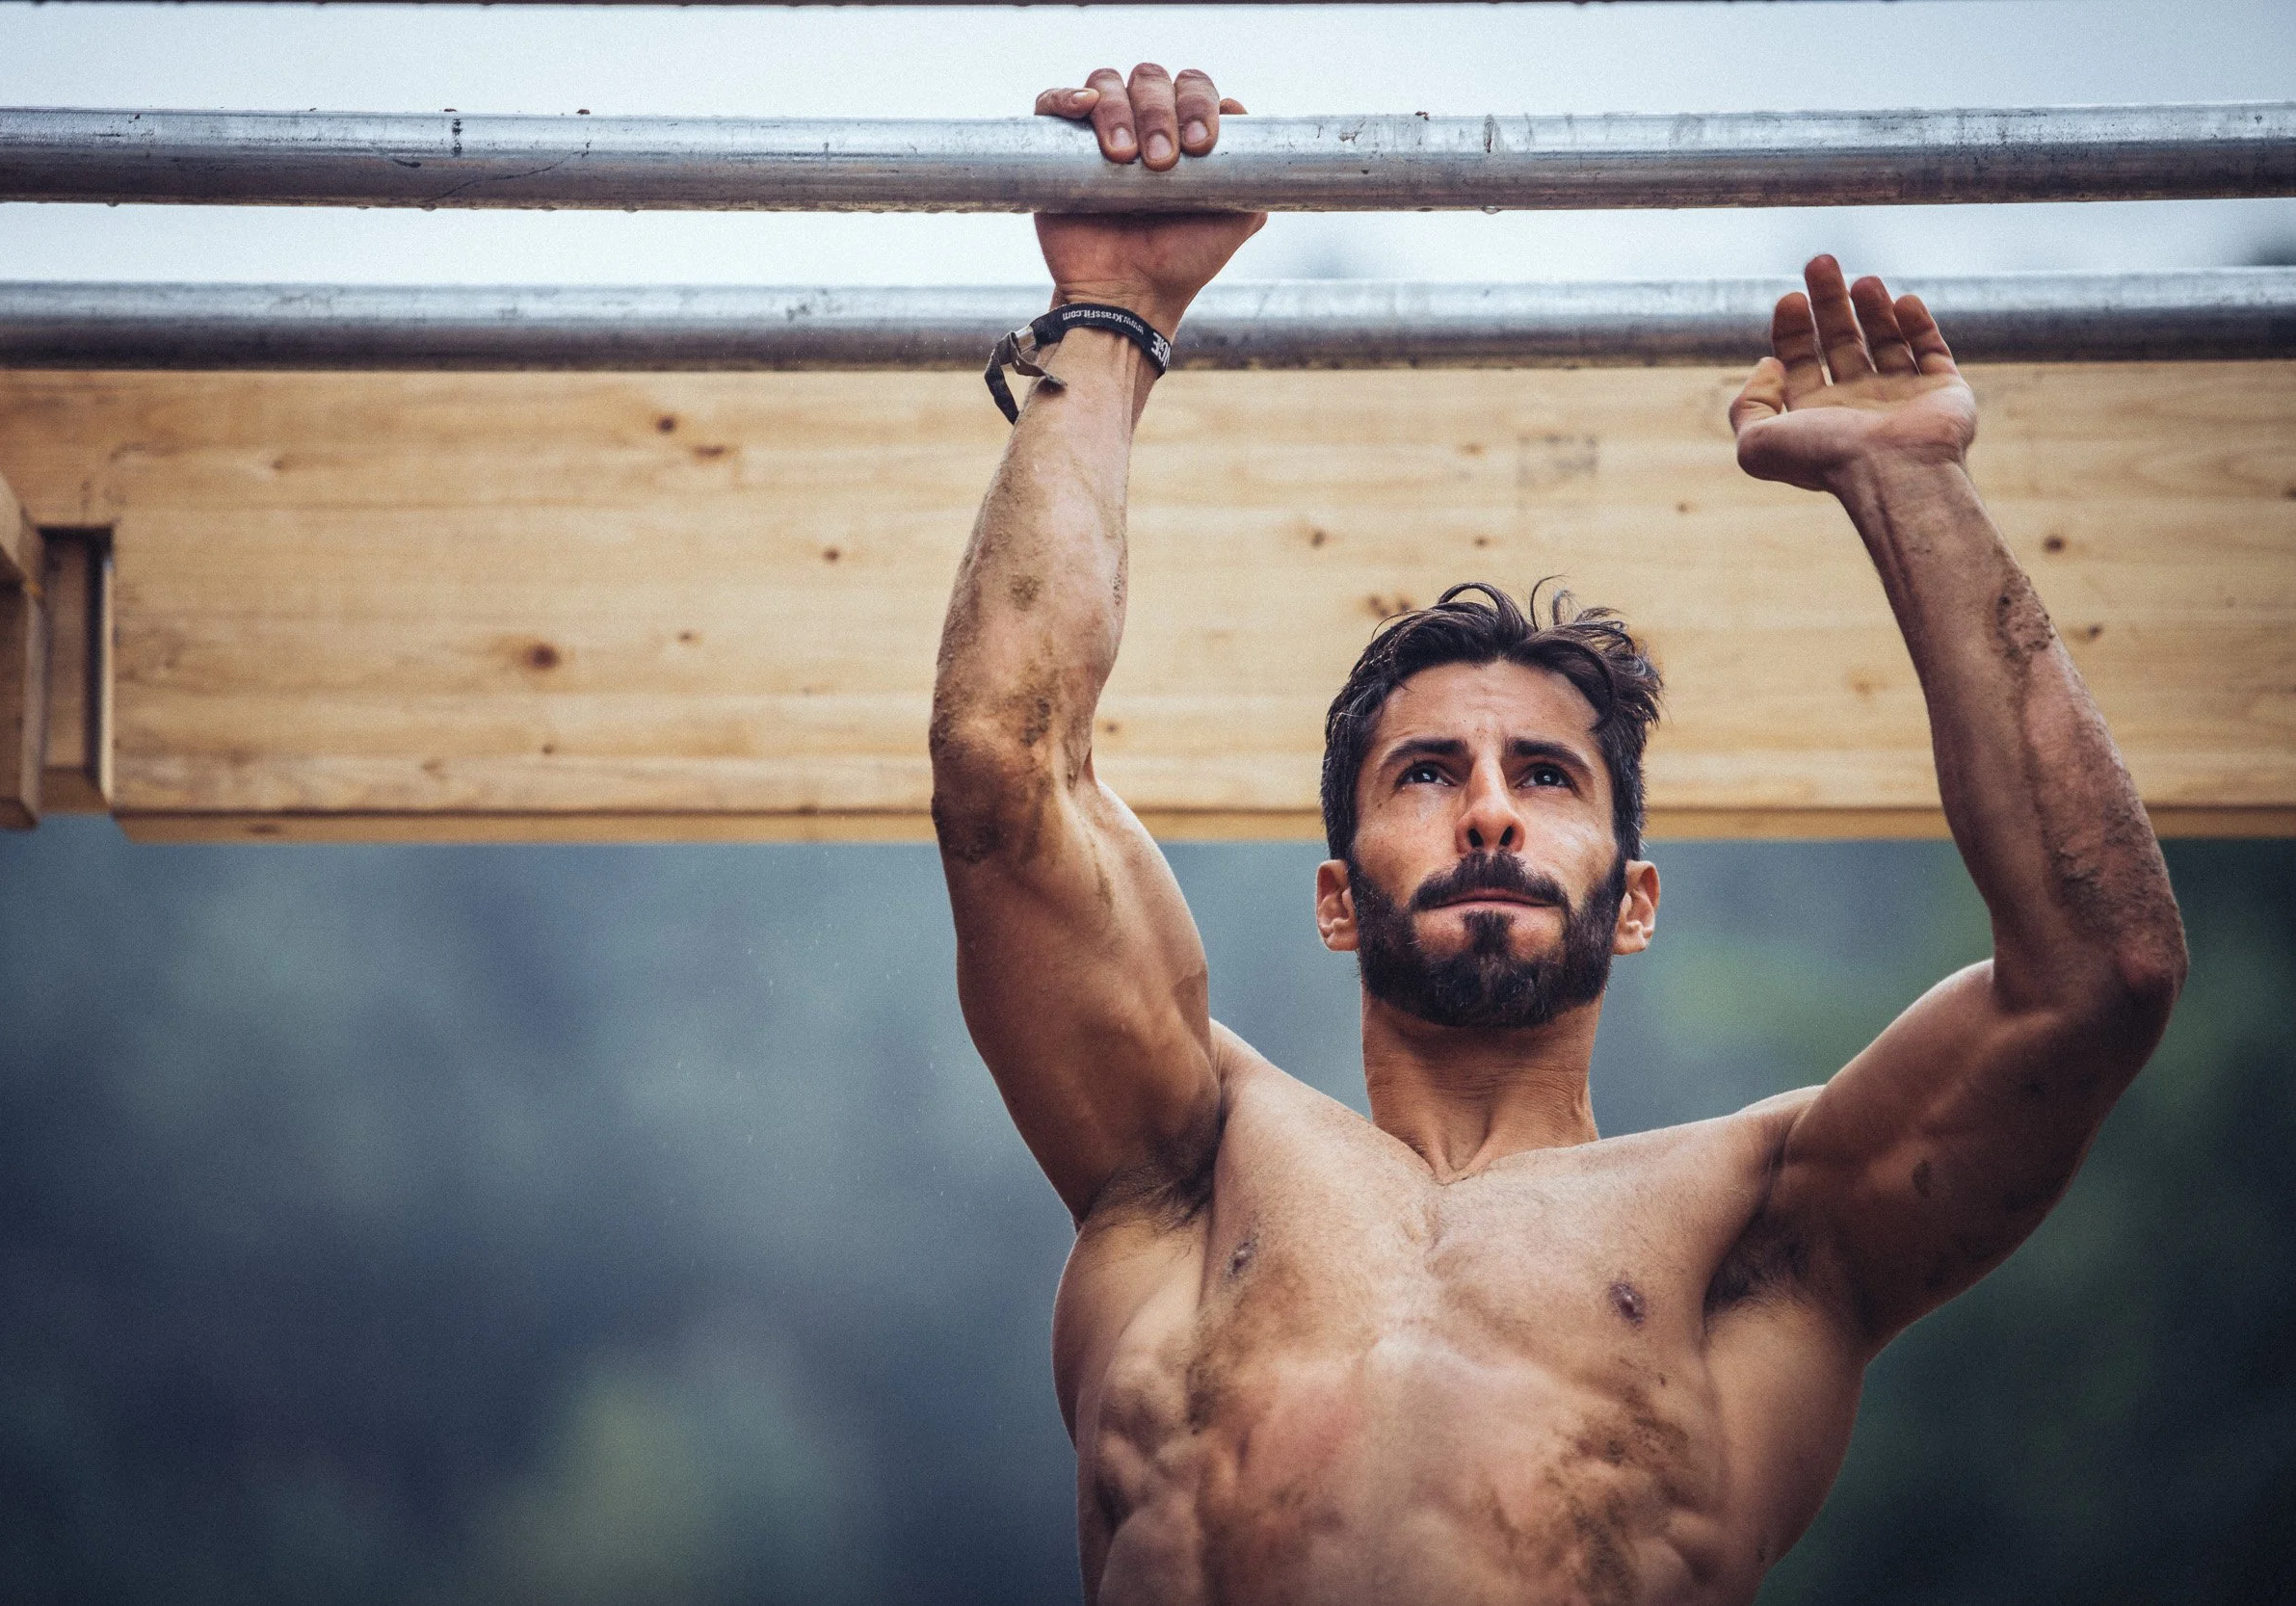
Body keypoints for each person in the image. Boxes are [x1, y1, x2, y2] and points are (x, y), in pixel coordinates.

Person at [929, 63, 2187, 1605]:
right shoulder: (1187, 1161)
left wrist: (1914, 489)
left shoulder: (1759, 1231)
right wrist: (1114, 312)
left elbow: (2100, 973)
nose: (1486, 807)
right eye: (1424, 775)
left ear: (1636, 896)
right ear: (1336, 897)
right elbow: (1008, 770)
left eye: (1546, 774)